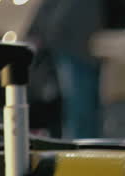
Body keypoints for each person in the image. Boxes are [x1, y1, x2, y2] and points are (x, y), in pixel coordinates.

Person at [27, 0, 106, 139]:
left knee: (81, 109)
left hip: (76, 47)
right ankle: (84, 149)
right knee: (80, 109)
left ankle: (84, 148)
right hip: (74, 47)